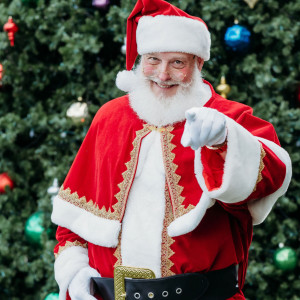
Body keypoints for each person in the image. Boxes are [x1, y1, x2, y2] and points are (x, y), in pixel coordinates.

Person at [51, 0, 292, 299]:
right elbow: (72, 223)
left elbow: (272, 176)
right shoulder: (109, 117)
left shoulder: (229, 118)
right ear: (140, 60)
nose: (162, 75)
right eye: (153, 59)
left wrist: (225, 140)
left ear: (198, 64)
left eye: (177, 62)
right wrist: (74, 275)